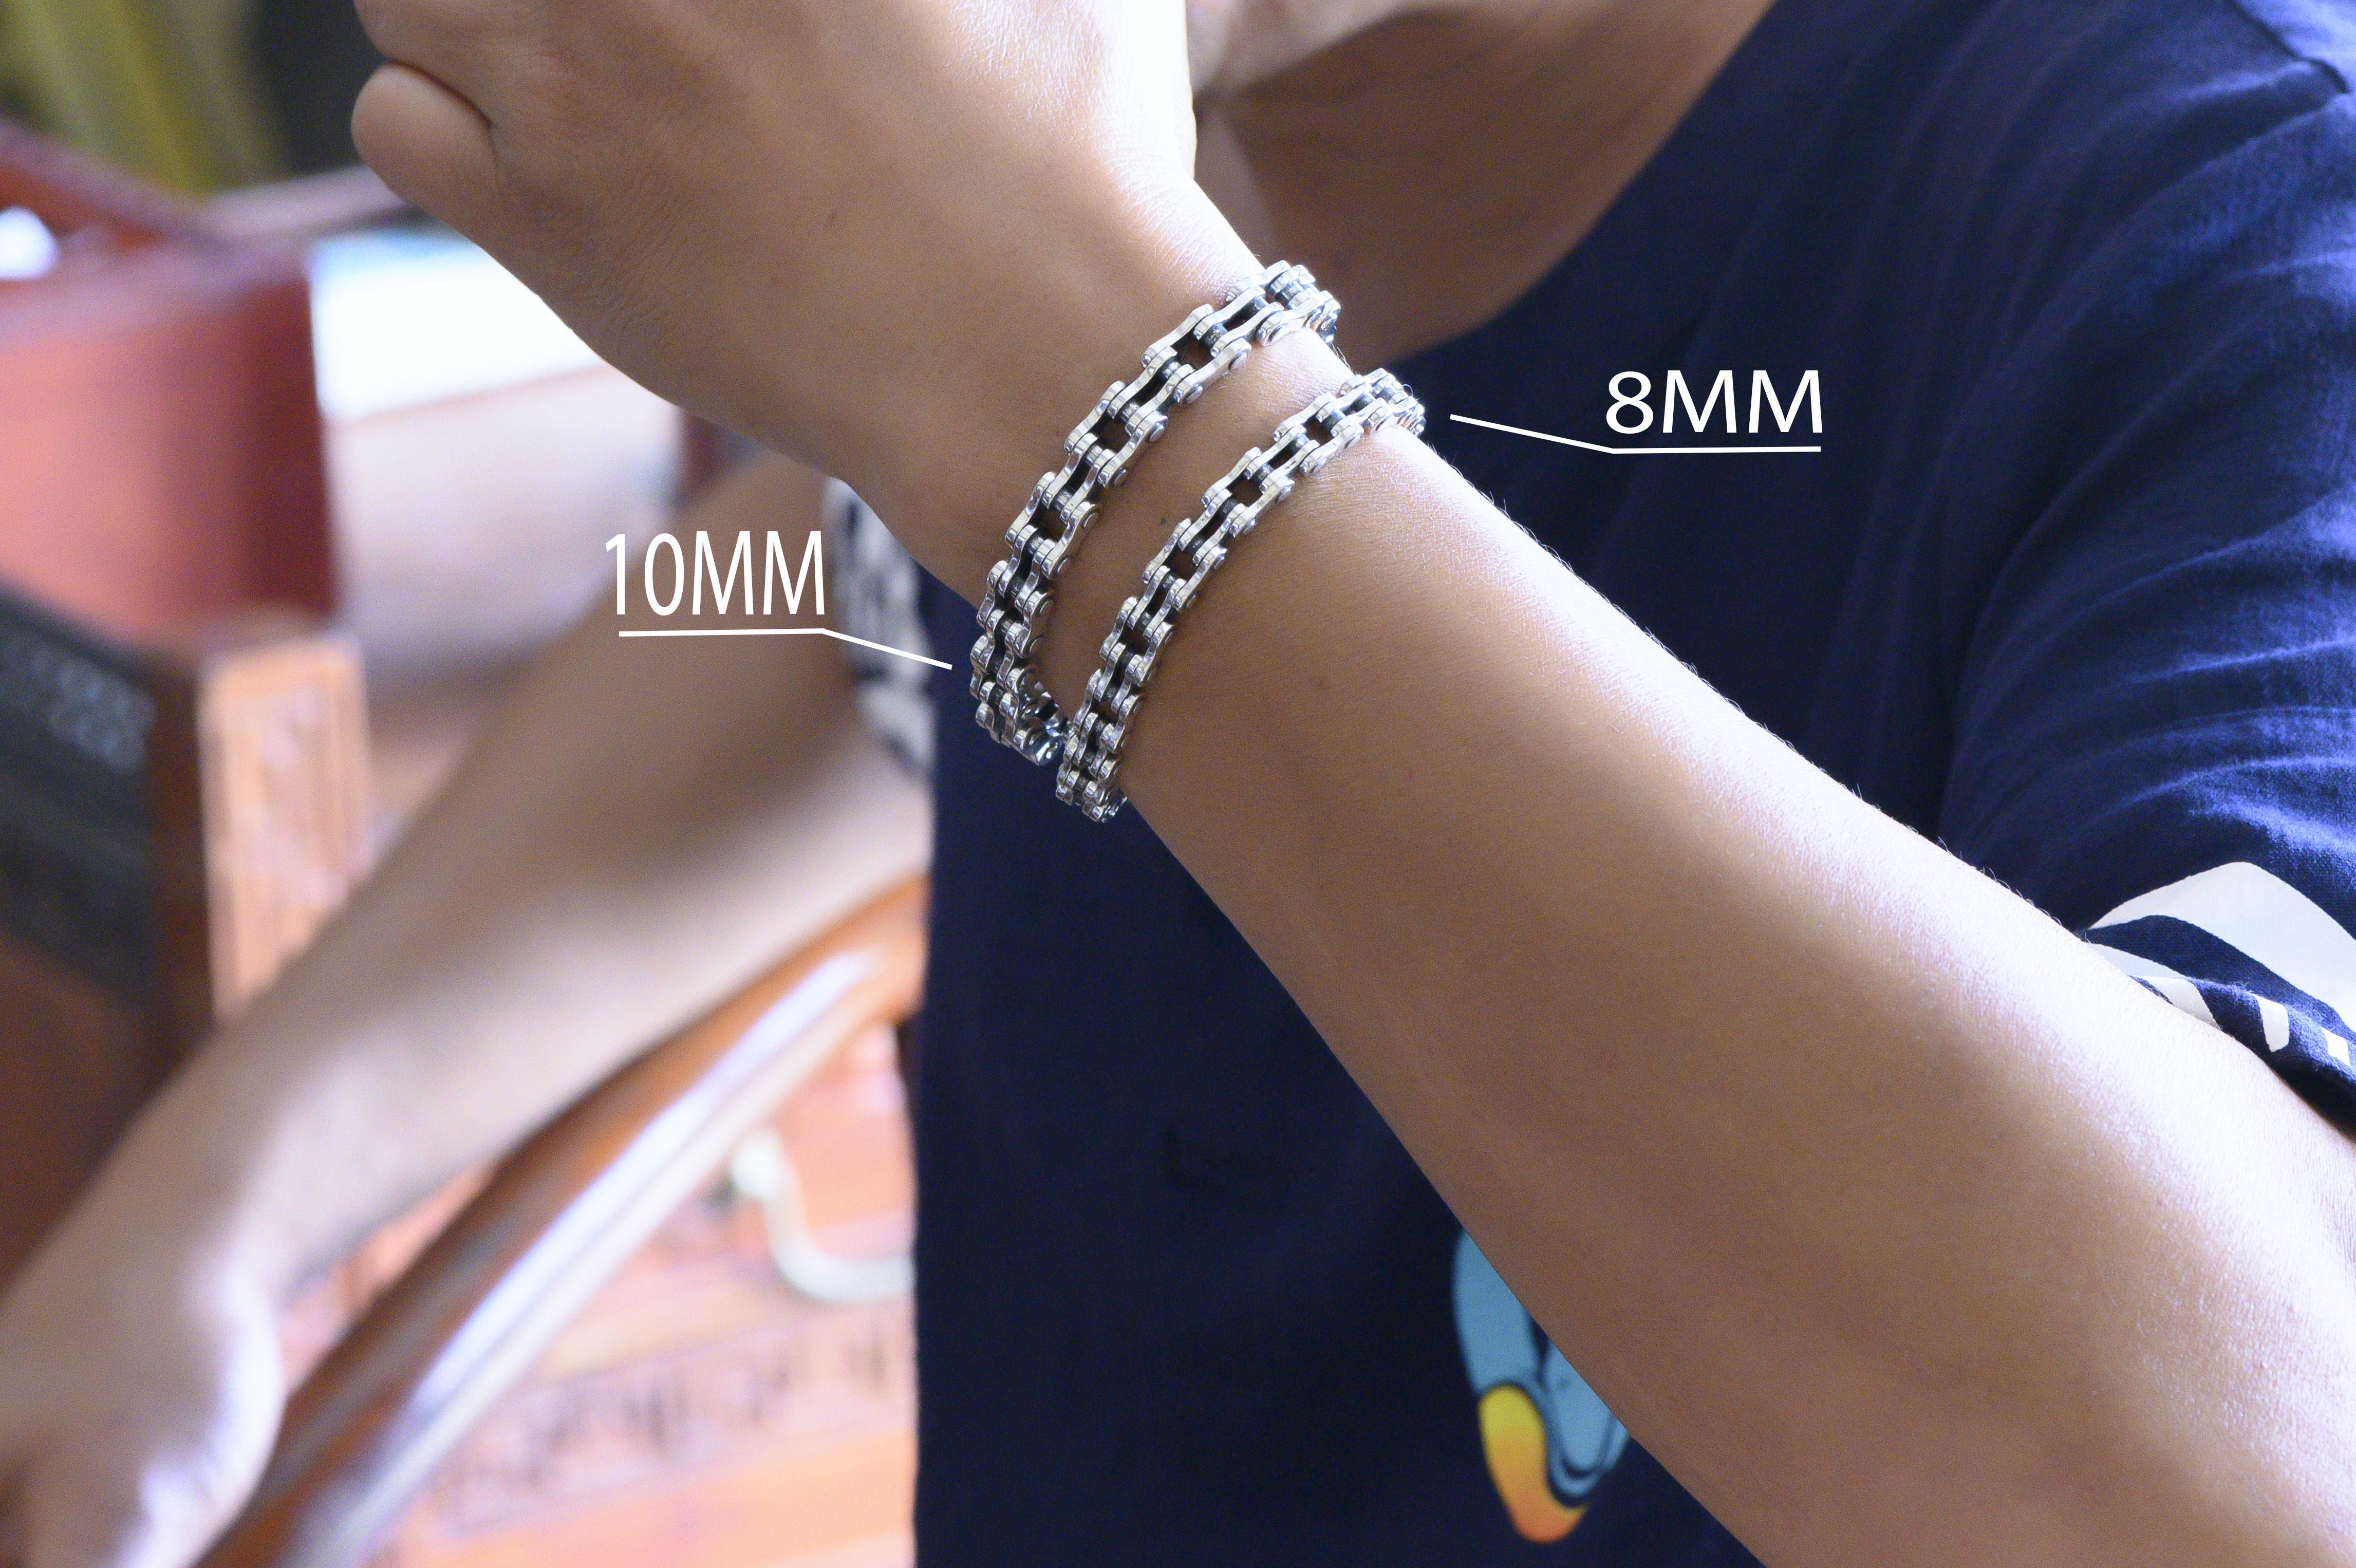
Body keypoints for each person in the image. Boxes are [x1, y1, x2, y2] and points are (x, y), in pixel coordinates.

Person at [4, 0, 2356, 1563]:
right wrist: (212, 1210)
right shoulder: (1179, 176)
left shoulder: (2229, 224)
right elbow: (841, 610)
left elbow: (2253, 1470)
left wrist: (1066, 377)